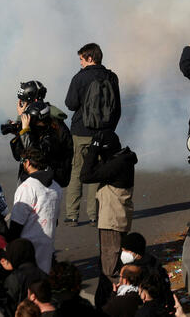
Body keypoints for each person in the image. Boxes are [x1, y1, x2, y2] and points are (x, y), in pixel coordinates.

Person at [64, 42, 121, 226]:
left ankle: (72, 215)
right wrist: (109, 129)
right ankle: (94, 215)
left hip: (81, 131)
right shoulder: (111, 77)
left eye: (81, 59)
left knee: (77, 172)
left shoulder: (79, 78)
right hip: (103, 133)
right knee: (97, 172)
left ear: (90, 58)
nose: (80, 63)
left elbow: (71, 104)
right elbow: (117, 108)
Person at [79, 130, 137, 304]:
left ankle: (114, 304)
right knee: (110, 263)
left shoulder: (117, 164)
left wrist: (93, 150)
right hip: (116, 218)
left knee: (110, 267)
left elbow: (86, 175)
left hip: (112, 221)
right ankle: (108, 301)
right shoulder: (122, 158)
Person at [9, 148, 62, 273]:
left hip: (27, 248)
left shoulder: (27, 187)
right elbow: (56, 220)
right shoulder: (56, 186)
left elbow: (16, 223)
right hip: (47, 244)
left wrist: (10, 246)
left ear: (27, 163)